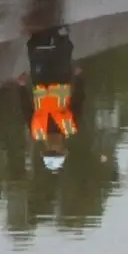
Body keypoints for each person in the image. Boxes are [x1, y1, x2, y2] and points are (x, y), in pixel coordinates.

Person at [26, 20, 82, 172]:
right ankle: (59, 29)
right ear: (63, 149)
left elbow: (26, 109)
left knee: (37, 50)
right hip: (61, 78)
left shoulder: (36, 131)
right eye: (56, 152)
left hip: (40, 82)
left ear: (44, 150)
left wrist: (20, 86)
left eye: (50, 151)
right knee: (61, 50)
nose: (53, 147)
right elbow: (79, 101)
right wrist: (79, 77)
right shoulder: (71, 127)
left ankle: (38, 30)